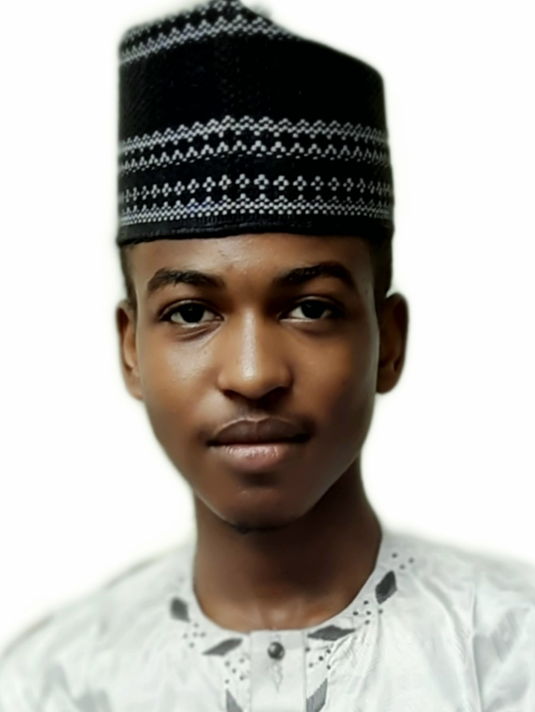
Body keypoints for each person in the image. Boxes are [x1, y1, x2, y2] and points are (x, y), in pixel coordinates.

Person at [1, 0, 534, 709]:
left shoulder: (507, 657)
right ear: (131, 351)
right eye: (191, 313)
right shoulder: (53, 685)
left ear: (389, 341)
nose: (253, 374)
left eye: (310, 308)